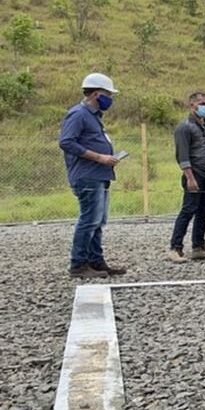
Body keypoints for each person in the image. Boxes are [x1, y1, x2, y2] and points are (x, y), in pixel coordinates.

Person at [59, 72, 125, 279]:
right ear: (97, 94)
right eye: (108, 94)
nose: (110, 99)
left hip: (99, 174)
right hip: (88, 174)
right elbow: (66, 142)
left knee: (98, 221)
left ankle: (96, 261)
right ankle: (78, 264)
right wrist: (99, 157)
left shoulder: (93, 117)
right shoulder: (79, 114)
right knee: (89, 220)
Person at [170, 91, 205, 263]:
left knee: (204, 212)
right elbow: (182, 155)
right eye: (202, 104)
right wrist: (190, 178)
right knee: (188, 209)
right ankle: (175, 247)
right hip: (196, 173)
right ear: (192, 105)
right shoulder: (184, 127)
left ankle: (198, 247)